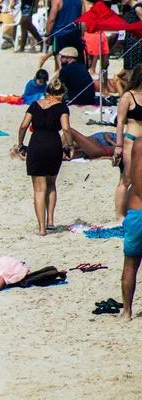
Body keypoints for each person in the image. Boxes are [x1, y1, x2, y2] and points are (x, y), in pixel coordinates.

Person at [17, 78, 74, 236]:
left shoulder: (35, 105)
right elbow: (66, 128)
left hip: (36, 144)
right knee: (51, 184)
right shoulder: (62, 107)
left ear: (47, 92)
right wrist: (70, 146)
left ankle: (41, 228)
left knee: (38, 189)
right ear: (62, 94)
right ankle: (50, 222)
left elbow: (23, 125)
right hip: (53, 145)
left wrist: (20, 143)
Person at [115, 64, 142, 221]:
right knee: (127, 179)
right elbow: (120, 122)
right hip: (130, 141)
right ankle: (119, 216)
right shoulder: (128, 97)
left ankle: (133, 211)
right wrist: (118, 145)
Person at [120, 137, 142, 321]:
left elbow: (129, 179)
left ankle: (127, 311)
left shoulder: (138, 144)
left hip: (135, 211)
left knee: (130, 265)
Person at [46, 0, 83, 68]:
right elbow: (83, 20)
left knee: (61, 66)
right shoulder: (80, 1)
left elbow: (51, 19)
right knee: (75, 63)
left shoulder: (57, 1)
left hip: (60, 35)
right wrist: (82, 35)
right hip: (75, 33)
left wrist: (47, 35)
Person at [124, 0, 142, 77]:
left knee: (134, 69)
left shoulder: (137, 8)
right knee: (128, 67)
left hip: (136, 43)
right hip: (129, 42)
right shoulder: (131, 9)